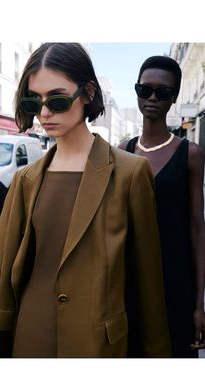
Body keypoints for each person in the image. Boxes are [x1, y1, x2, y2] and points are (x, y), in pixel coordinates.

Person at [0, 44, 171, 358]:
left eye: (58, 99)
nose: (44, 112)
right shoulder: (26, 179)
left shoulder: (131, 174)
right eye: (33, 100)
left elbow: (149, 289)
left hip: (96, 345)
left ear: (89, 93)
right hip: (28, 337)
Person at [119, 55, 205, 358]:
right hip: (130, 282)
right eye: (145, 90)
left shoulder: (190, 153)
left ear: (174, 98)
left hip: (176, 281)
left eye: (163, 92)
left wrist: (199, 304)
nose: (152, 98)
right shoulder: (123, 152)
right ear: (137, 92)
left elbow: (197, 230)